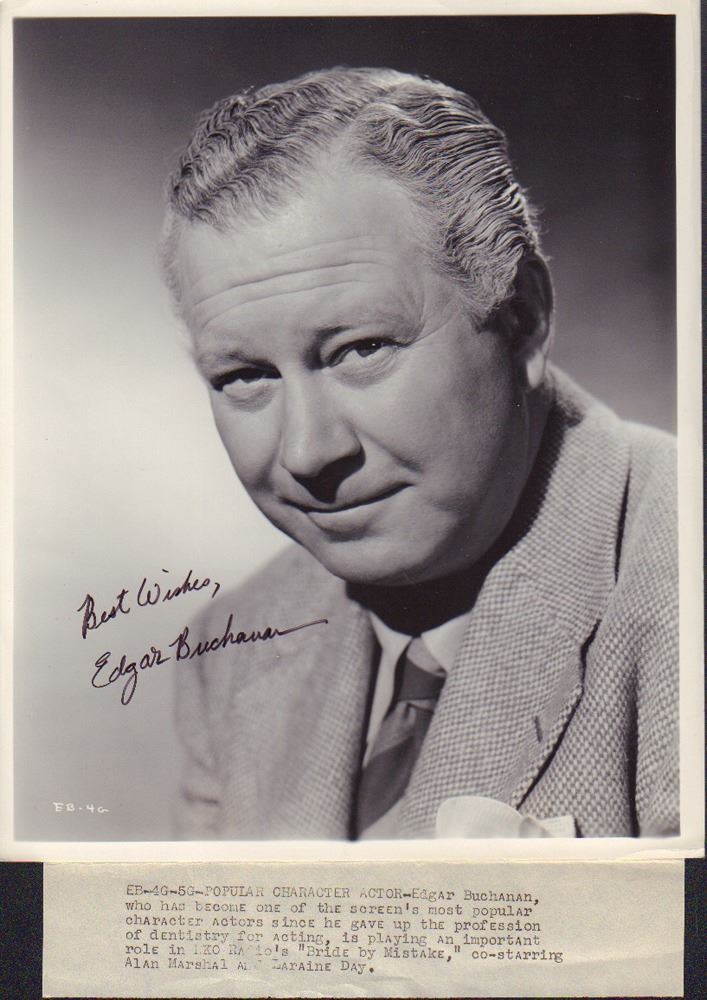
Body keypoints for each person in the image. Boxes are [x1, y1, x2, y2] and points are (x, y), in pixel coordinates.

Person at [160, 67, 677, 840]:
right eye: (244, 377)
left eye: (361, 349)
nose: (308, 452)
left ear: (522, 319)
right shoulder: (232, 647)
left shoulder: (680, 578)